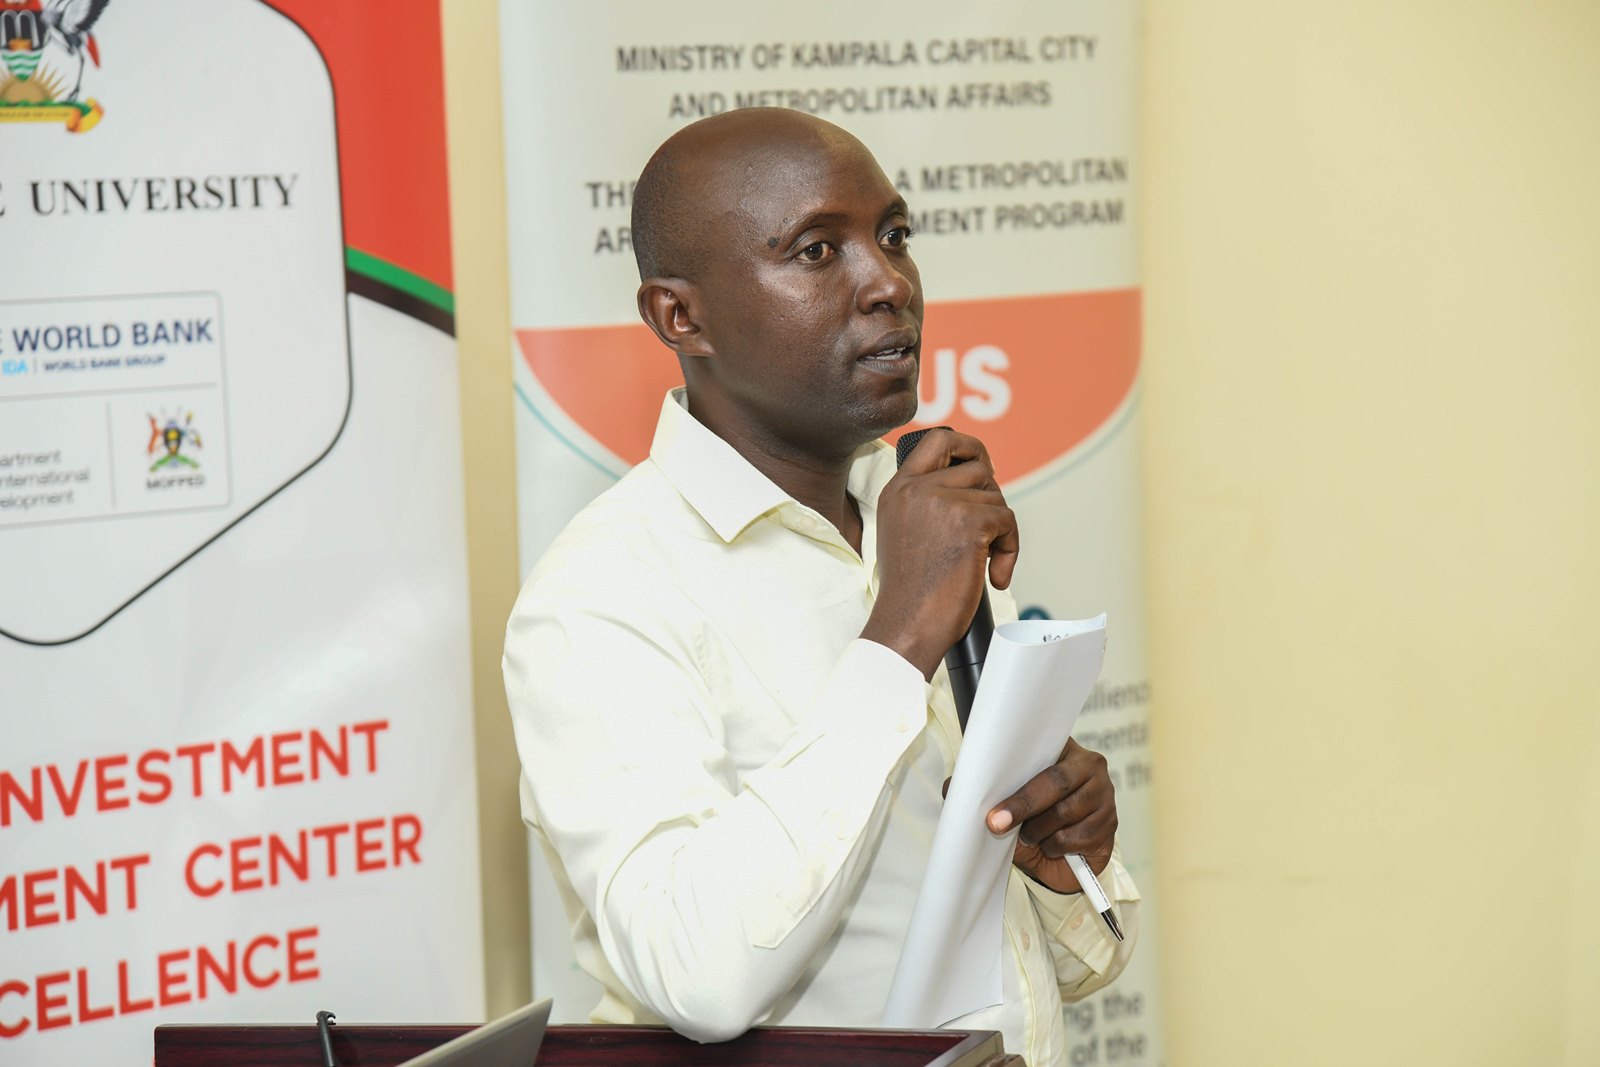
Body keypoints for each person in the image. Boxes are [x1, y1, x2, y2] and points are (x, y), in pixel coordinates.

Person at [503, 108, 1139, 1066]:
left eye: (893, 237)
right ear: (682, 317)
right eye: (815, 251)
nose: (888, 283)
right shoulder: (601, 595)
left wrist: (1057, 866)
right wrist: (895, 644)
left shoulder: (913, 514)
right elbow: (695, 972)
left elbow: (1070, 968)